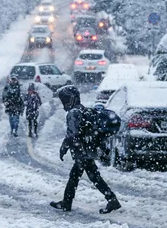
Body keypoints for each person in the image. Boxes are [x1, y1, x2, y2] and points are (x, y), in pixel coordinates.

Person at [50, 85, 121, 214]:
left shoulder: (73, 113)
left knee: (91, 177)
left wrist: (64, 148)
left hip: (81, 151)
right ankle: (67, 202)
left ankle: (112, 200)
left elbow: (72, 135)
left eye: (64, 100)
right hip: (87, 150)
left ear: (70, 99)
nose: (63, 103)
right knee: (78, 176)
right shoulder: (83, 110)